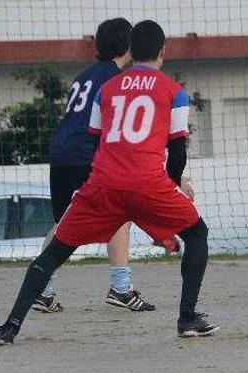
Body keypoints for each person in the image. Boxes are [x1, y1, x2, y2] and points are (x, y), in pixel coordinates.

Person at [0, 20, 217, 344]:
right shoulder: (174, 91)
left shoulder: (106, 89)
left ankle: (10, 326)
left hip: (102, 184)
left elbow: (97, 143)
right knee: (197, 234)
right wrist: (176, 186)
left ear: (131, 51)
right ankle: (187, 317)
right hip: (148, 183)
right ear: (163, 51)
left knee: (55, 251)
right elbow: (177, 152)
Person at [39, 17, 156, 314]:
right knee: (122, 212)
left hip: (61, 153)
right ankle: (120, 287)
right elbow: (111, 126)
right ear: (128, 46)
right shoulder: (116, 81)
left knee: (62, 223)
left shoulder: (83, 77)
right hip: (85, 154)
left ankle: (43, 289)